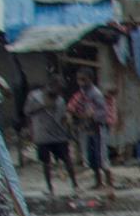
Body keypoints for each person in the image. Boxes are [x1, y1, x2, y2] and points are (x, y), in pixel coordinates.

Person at [69, 68, 115, 197]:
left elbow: (102, 112)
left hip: (98, 129)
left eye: (83, 79)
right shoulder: (83, 93)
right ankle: (98, 182)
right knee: (92, 158)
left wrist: (90, 116)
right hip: (89, 130)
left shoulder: (96, 93)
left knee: (102, 157)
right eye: (79, 79)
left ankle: (109, 184)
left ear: (90, 79)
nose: (80, 82)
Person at [24, 82, 75, 195]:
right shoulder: (35, 97)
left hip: (58, 135)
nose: (58, 93)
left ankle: (75, 185)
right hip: (42, 134)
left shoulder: (60, 100)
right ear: (50, 87)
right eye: (57, 90)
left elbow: (62, 117)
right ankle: (50, 188)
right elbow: (27, 113)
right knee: (46, 162)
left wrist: (68, 123)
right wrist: (30, 130)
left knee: (67, 159)